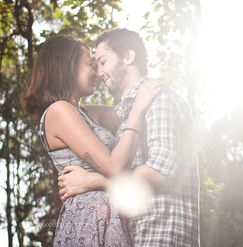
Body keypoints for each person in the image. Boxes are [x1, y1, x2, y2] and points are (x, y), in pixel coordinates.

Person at [58, 28, 200, 246]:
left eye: (103, 61)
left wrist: (93, 181)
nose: (99, 71)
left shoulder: (157, 97)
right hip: (139, 233)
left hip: (161, 233)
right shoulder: (130, 111)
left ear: (128, 56)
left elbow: (162, 170)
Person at [23, 35, 160, 246]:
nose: (96, 72)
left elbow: (125, 108)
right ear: (66, 67)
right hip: (89, 219)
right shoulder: (59, 111)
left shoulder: (85, 112)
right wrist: (139, 110)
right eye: (89, 64)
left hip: (111, 214)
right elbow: (113, 166)